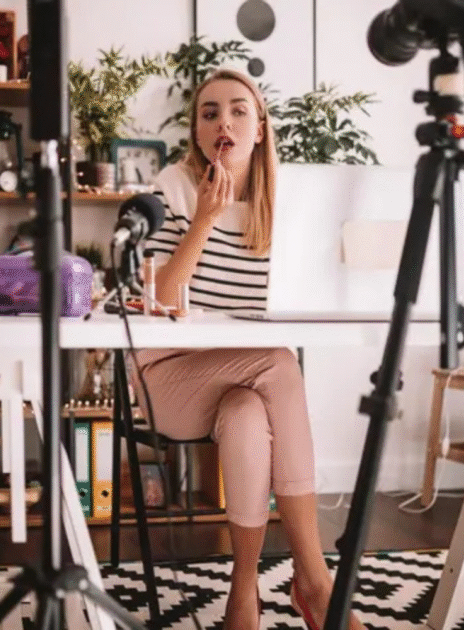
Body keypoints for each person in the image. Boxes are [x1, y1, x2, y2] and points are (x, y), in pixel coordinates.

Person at [133, 68, 365, 630]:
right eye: (210, 113)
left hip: (244, 383)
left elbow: (309, 294)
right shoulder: (173, 186)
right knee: (280, 362)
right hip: (169, 377)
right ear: (196, 131)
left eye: (239, 111)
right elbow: (160, 300)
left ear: (260, 129)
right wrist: (204, 221)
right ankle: (315, 580)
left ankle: (244, 589)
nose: (225, 123)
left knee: (246, 413)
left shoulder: (284, 203)